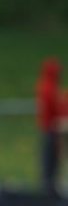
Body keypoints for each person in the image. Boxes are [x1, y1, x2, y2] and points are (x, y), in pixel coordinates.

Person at [36, 58, 62, 196]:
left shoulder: (47, 86)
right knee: (49, 157)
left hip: (50, 127)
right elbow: (53, 107)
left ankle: (50, 184)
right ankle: (48, 186)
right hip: (50, 128)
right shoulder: (48, 87)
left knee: (51, 158)